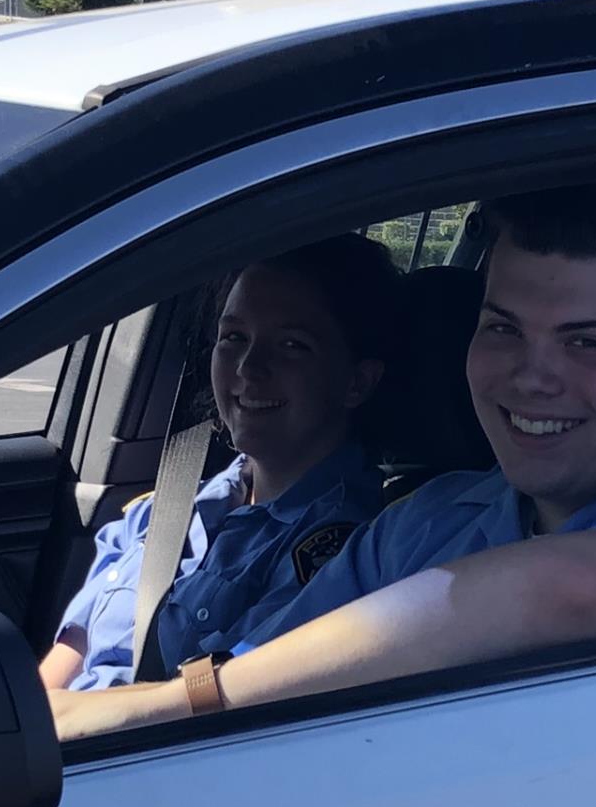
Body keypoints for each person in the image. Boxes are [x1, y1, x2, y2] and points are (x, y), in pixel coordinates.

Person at [47, 179, 596, 738]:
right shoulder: (429, 520)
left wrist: (154, 710)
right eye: (503, 330)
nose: (531, 377)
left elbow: (575, 592)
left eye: (586, 342)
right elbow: (266, 662)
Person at [38, 234, 398, 691]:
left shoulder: (349, 554)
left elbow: (216, 708)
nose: (249, 367)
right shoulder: (165, 506)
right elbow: (73, 649)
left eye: (291, 345)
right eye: (234, 338)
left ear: (356, 382)